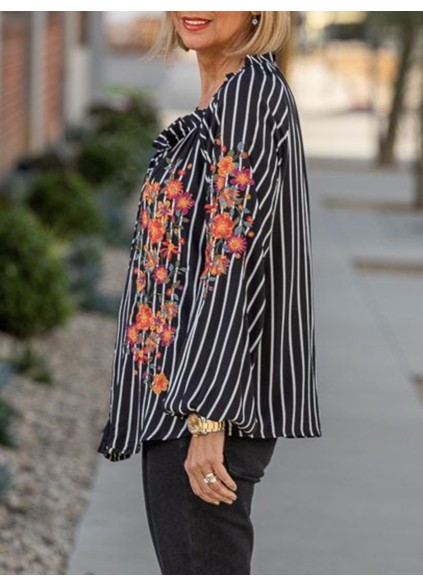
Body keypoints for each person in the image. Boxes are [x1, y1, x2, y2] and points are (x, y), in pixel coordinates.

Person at [97, 11, 322, 575]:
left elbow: (229, 266)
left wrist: (206, 420)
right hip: (183, 399)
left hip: (201, 408)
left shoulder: (247, 99)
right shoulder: (229, 98)